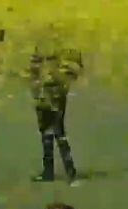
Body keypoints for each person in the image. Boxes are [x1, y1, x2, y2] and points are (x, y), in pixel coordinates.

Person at [28, 45, 82, 183]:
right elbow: (33, 70)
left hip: (54, 95)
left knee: (58, 133)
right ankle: (49, 172)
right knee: (46, 134)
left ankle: (70, 172)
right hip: (43, 95)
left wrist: (60, 86)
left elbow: (72, 70)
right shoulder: (40, 48)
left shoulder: (63, 48)